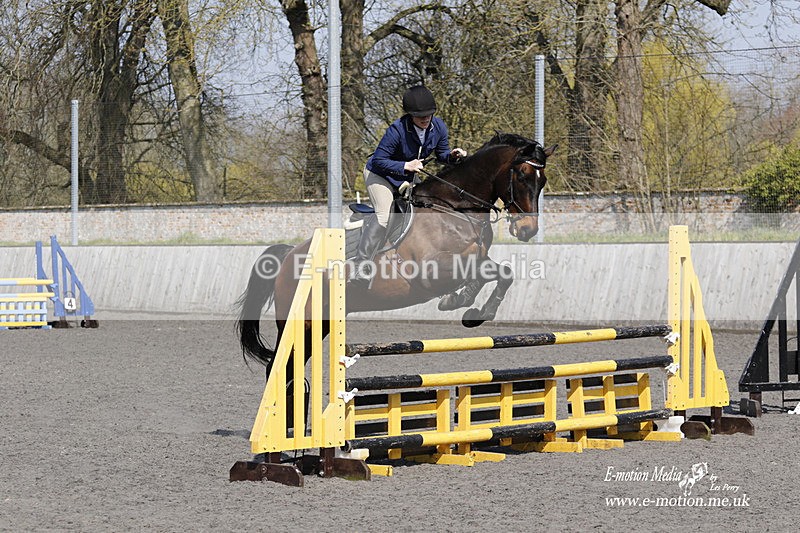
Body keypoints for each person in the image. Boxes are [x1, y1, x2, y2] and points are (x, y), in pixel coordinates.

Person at [354, 85, 467, 283]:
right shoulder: (397, 130)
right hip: (380, 174)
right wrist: (406, 165)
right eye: (419, 115)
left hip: (408, 176)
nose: (425, 119)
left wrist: (452, 156)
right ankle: (361, 266)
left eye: (428, 114)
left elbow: (442, 154)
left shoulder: (438, 127)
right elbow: (379, 160)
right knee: (384, 214)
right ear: (410, 115)